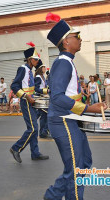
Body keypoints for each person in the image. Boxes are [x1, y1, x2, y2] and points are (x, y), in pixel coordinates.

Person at [43, 19, 107, 200]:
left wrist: (88, 103)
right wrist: (89, 108)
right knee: (76, 169)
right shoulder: (63, 62)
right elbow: (57, 97)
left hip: (71, 119)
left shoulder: (67, 62)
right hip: (63, 121)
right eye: (76, 36)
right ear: (66, 42)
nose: (80, 39)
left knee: (84, 163)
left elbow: (69, 94)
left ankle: (52, 196)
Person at [9, 42, 49, 163]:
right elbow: (14, 85)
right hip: (26, 102)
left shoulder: (30, 71)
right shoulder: (23, 69)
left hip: (31, 101)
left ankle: (35, 153)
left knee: (34, 128)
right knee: (32, 128)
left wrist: (44, 92)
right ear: (30, 59)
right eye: (36, 59)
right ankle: (16, 148)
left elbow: (34, 89)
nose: (38, 62)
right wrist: (26, 96)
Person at [34, 59, 50, 138]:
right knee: (45, 115)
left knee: (45, 115)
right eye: (43, 67)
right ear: (40, 68)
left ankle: (44, 131)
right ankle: (43, 132)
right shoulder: (38, 77)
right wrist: (46, 90)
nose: (45, 69)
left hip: (44, 98)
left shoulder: (43, 76)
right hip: (40, 98)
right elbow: (36, 89)